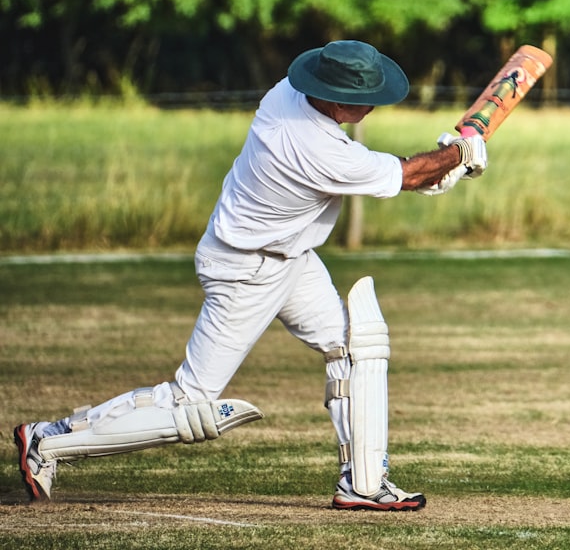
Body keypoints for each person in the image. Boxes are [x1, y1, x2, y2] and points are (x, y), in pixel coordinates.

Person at [13, 40, 487, 511]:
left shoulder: (286, 93)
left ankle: (363, 483)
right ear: (337, 98)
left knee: (355, 347)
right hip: (246, 271)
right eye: (364, 97)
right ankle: (48, 440)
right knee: (189, 403)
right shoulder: (312, 147)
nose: (372, 105)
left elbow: (402, 174)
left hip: (290, 258)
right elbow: (400, 175)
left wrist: (445, 164)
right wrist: (456, 156)